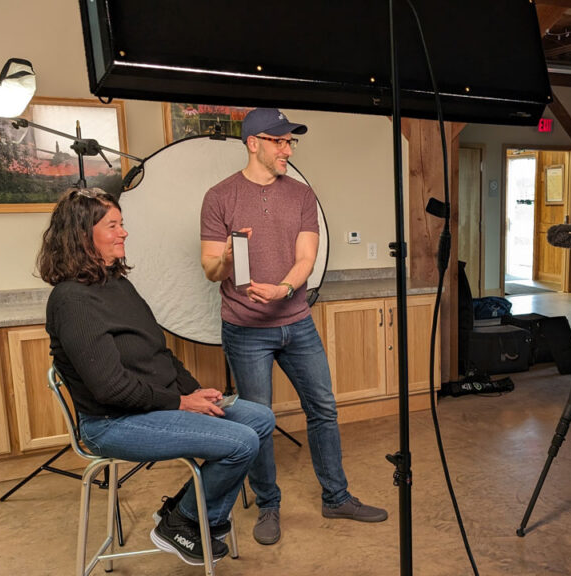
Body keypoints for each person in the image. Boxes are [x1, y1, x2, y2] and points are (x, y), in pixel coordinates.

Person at [40, 187, 276, 566]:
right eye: (113, 225)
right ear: (83, 236)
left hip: (154, 406)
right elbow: (109, 387)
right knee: (241, 442)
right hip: (111, 423)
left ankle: (186, 516)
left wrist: (196, 391)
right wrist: (182, 403)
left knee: (260, 418)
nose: (124, 232)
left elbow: (159, 355)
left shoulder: (117, 284)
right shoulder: (72, 301)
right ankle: (186, 521)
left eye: (122, 223)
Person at [200, 108, 388, 546]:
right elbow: (210, 270)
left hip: (297, 322)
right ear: (253, 143)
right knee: (259, 421)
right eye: (279, 141)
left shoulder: (302, 195)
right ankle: (269, 506)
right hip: (245, 329)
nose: (287, 149)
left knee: (323, 408)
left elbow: (307, 257)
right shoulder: (219, 197)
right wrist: (226, 257)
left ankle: (336, 496)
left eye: (290, 142)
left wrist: (284, 288)